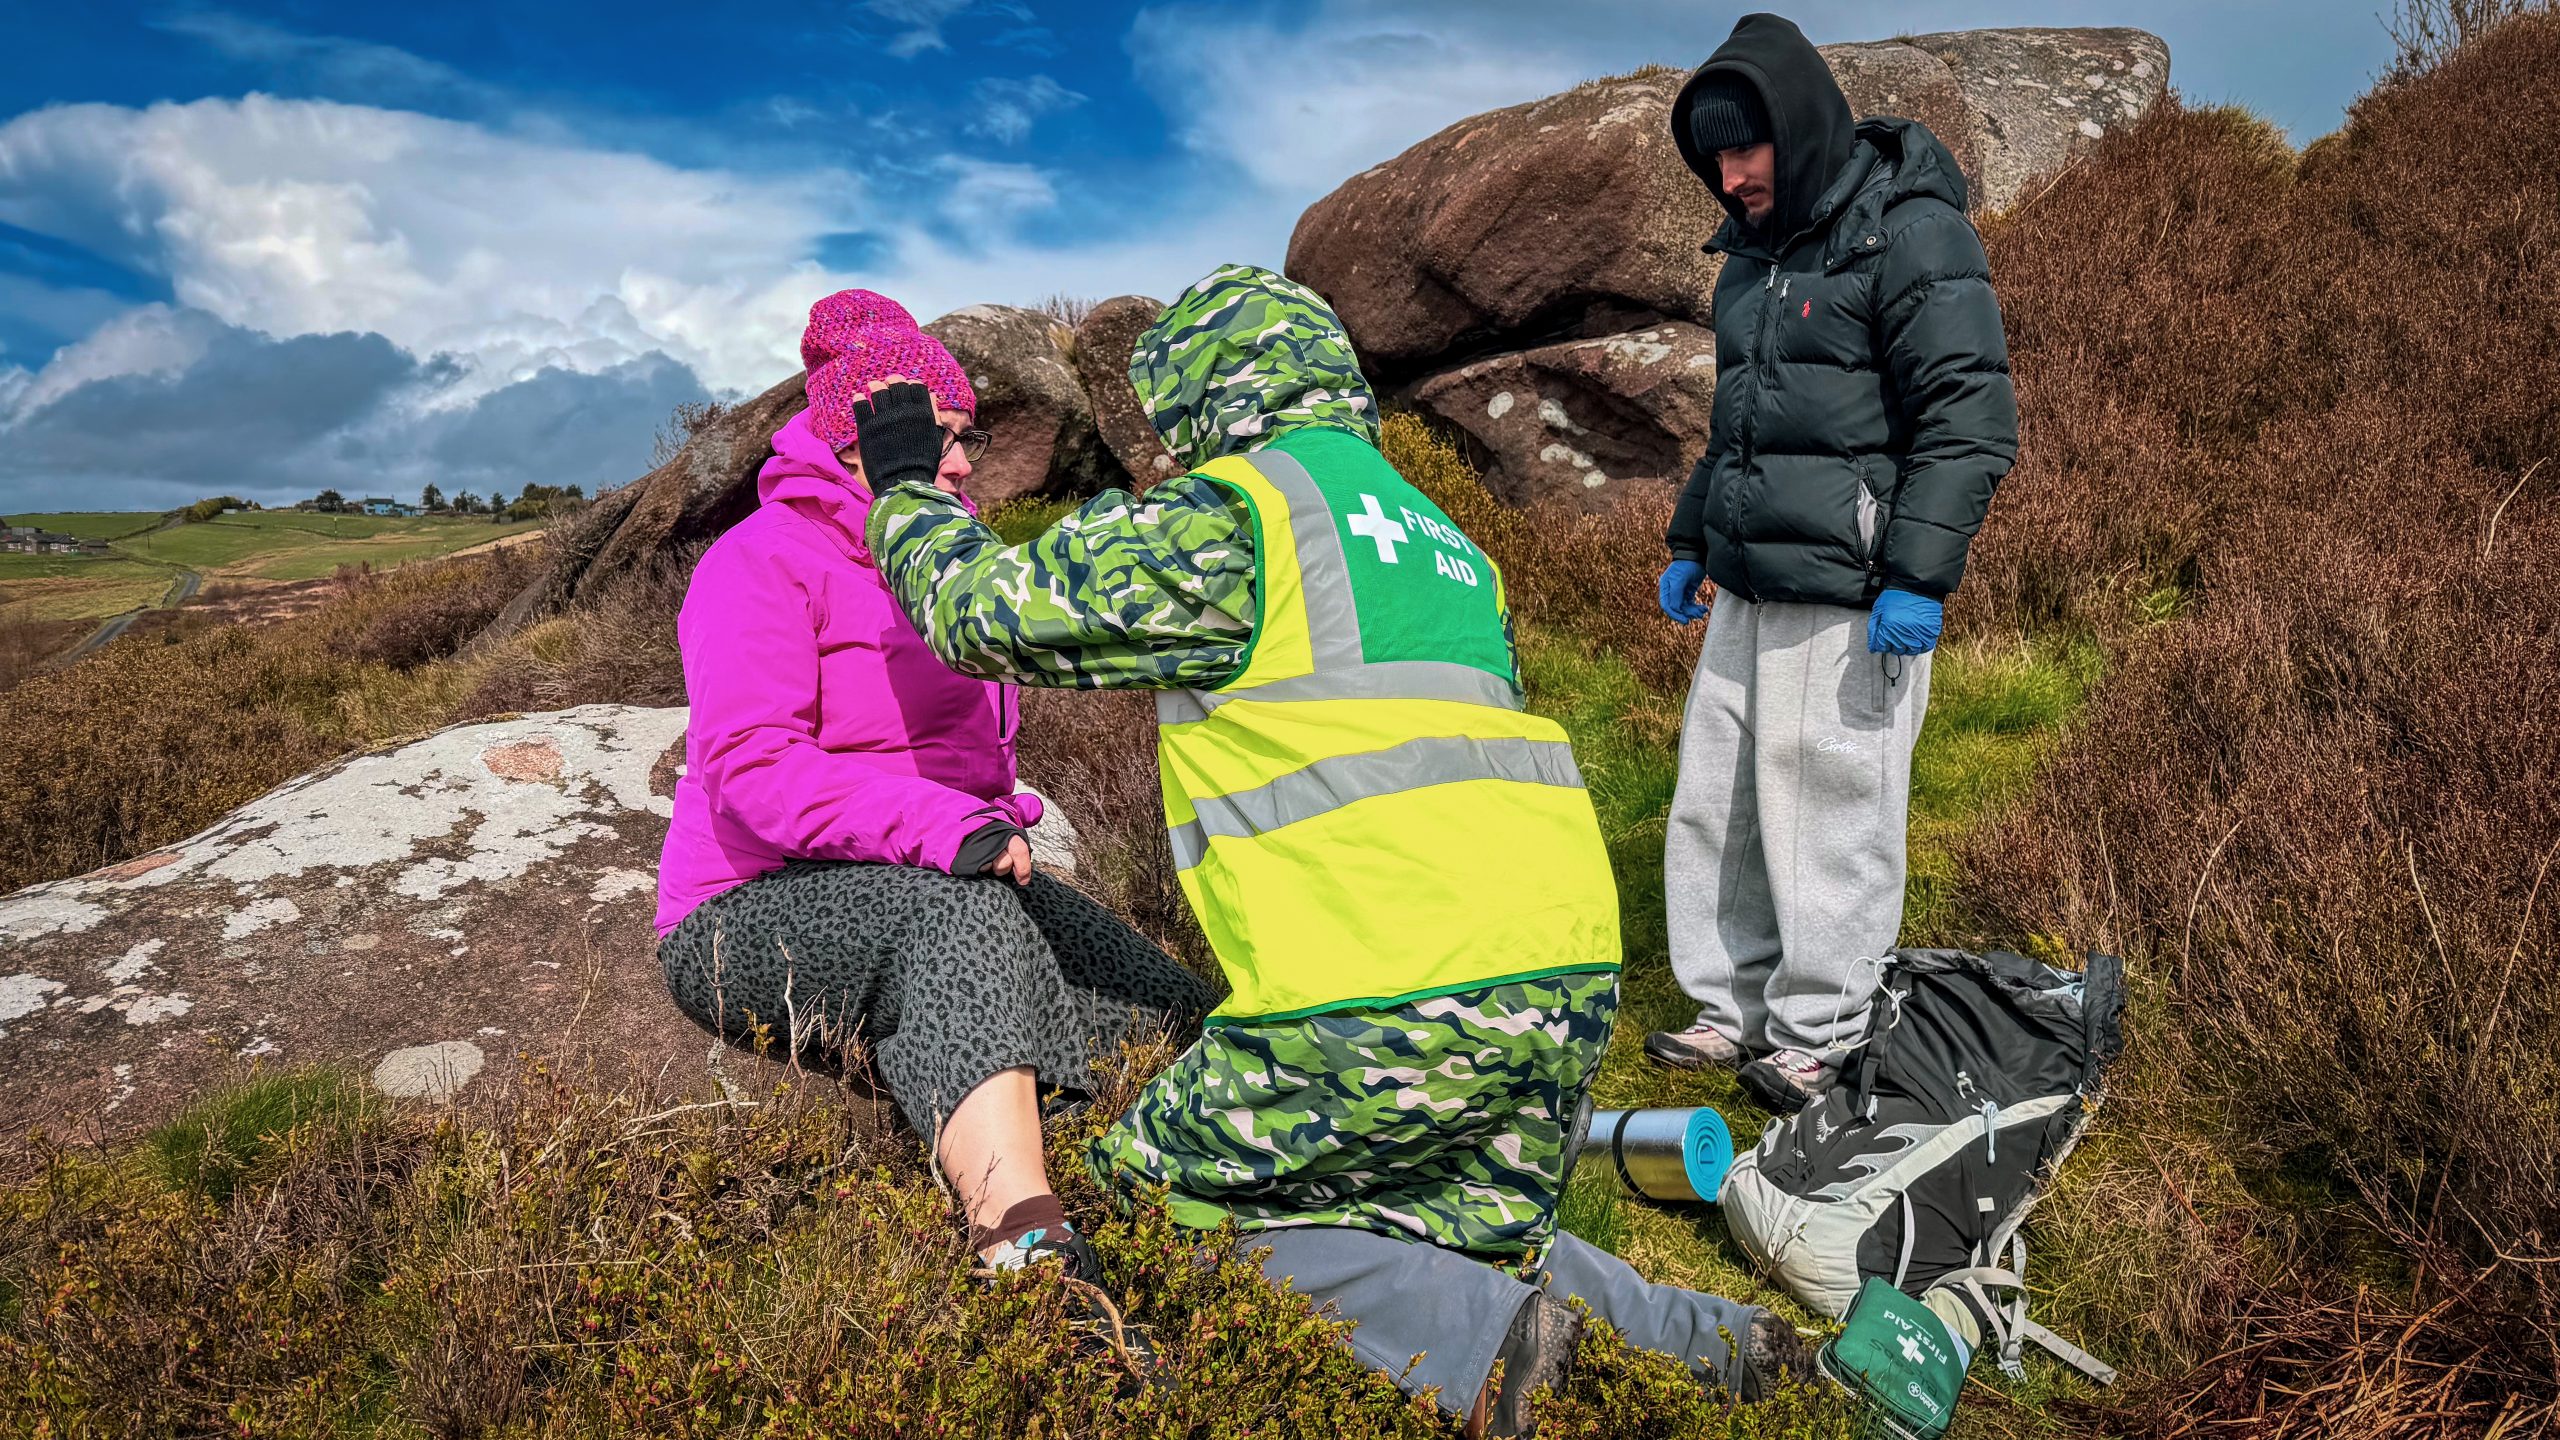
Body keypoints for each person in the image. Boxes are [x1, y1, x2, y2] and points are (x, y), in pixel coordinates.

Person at [859, 264, 1811, 1436]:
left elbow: (977, 612)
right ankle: (1710, 1343)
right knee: (1453, 1226)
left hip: (1377, 1003)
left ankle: (1494, 1355)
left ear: (1212, 398)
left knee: (1141, 1208)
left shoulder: (1231, 518)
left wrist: (904, 485)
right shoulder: (1449, 544)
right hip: (1562, 993)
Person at [652, 289, 1212, 1299]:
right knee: (962, 924)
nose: (960, 462)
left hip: (919, 867)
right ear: (855, 442)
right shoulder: (758, 562)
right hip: (742, 913)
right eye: (936, 438)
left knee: (1165, 1007)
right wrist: (943, 824)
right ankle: (1028, 1258)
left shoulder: (949, 562)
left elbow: (956, 745)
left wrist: (1000, 809)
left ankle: (1183, 1229)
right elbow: (751, 767)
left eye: (967, 436)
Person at [1645, 14, 2019, 1115]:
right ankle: (1731, 1006)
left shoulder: (1908, 233)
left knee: (1829, 807)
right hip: (1750, 584)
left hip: (1854, 594)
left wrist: (1915, 575)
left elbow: (1969, 415)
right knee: (1717, 803)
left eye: (1744, 148)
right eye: (1713, 156)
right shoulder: (1749, 263)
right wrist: (1689, 539)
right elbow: (1740, 426)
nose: (1729, 175)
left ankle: (1822, 1027)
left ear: (1799, 129)